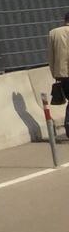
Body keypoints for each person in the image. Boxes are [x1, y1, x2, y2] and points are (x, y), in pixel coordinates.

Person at [51, 12, 69, 140]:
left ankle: (68, 122)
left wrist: (54, 73)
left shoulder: (54, 33)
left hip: (61, 74)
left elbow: (51, 56)